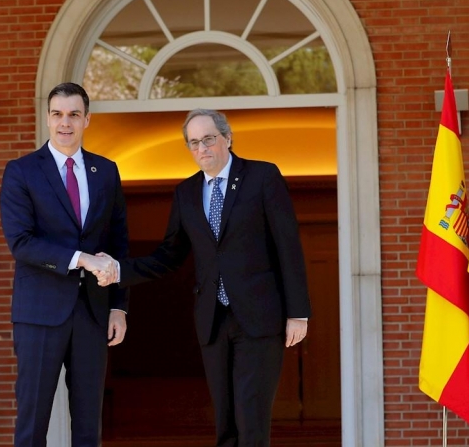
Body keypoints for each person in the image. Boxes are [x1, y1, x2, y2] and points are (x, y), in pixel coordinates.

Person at [96, 108, 312, 447]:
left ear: (227, 138)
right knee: (225, 422)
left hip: (259, 317)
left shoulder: (262, 177)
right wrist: (120, 270)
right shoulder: (186, 193)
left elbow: (288, 246)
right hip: (213, 320)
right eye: (194, 142)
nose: (202, 148)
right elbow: (170, 255)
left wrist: (297, 312)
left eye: (208, 139)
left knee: (251, 419)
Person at [0, 82, 128, 447]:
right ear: (48, 118)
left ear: (87, 119)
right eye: (57, 114)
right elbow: (21, 242)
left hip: (93, 312)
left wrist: (119, 306)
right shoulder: (22, 171)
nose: (65, 122)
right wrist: (81, 259)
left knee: (89, 425)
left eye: (73, 114)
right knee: (32, 422)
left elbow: (118, 244)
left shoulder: (106, 171)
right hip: (39, 313)